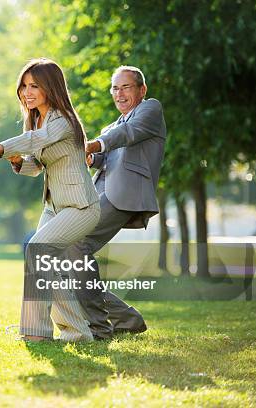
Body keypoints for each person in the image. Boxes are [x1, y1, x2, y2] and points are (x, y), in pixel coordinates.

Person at [0, 58, 100, 342]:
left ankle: (77, 331)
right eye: (24, 86)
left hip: (81, 206)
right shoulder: (37, 118)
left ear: (50, 87)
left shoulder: (62, 120)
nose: (27, 92)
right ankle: (36, 332)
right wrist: (16, 161)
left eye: (34, 86)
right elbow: (36, 165)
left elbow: (36, 140)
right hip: (53, 206)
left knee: (39, 251)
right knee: (37, 258)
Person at [70, 65, 167, 340]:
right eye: (115, 88)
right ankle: (126, 318)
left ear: (141, 90)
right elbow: (103, 158)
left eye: (125, 87)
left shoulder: (150, 109)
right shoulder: (111, 126)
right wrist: (90, 157)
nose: (119, 93)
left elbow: (126, 135)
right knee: (71, 255)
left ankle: (101, 325)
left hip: (125, 194)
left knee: (76, 244)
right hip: (99, 193)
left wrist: (95, 144)